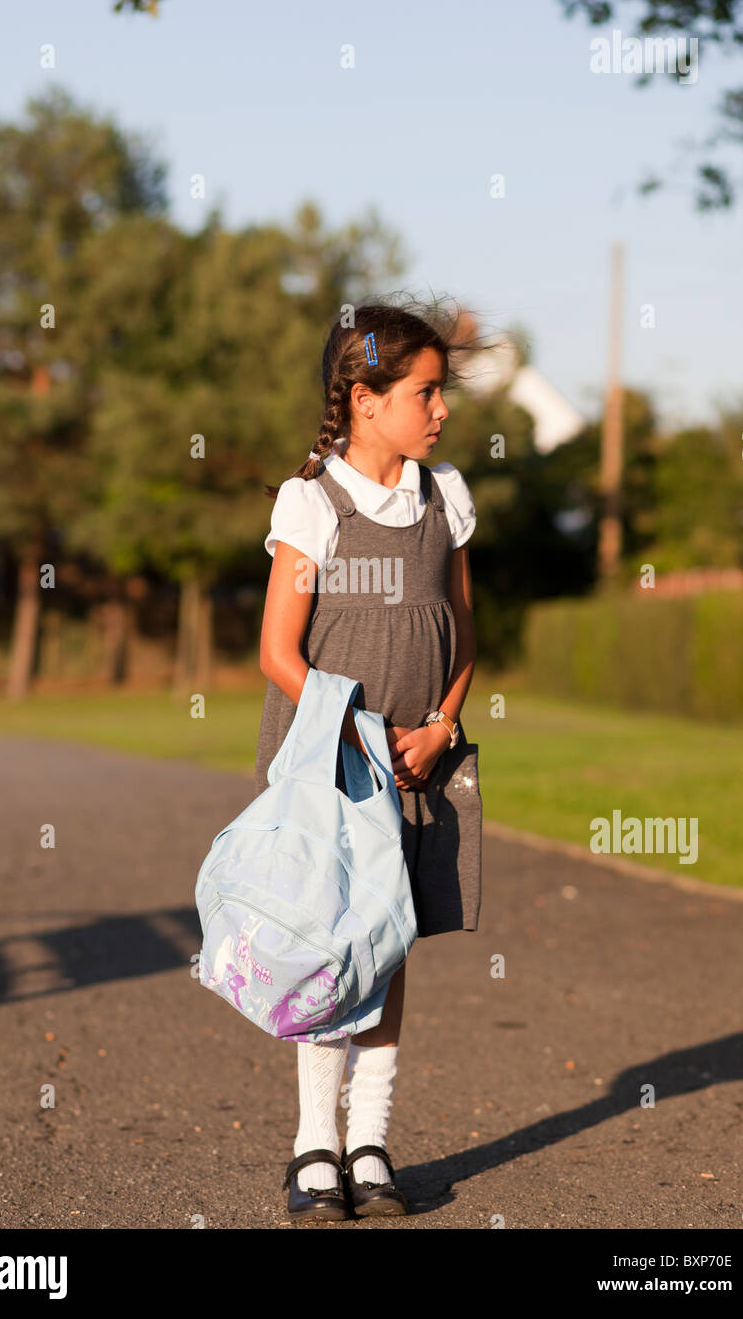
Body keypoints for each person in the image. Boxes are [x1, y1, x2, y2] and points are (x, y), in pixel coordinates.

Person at [256, 300, 482, 1221]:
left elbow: (463, 634)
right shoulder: (312, 501)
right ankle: (316, 1144)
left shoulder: (447, 497)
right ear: (364, 397)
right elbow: (279, 650)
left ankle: (372, 1143)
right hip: (331, 761)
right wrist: (356, 735)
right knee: (328, 946)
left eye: (441, 392)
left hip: (419, 759)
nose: (440, 411)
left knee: (388, 949)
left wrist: (441, 726)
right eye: (424, 392)